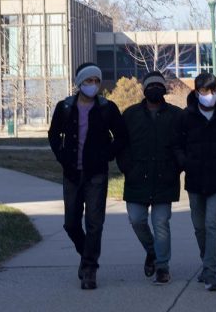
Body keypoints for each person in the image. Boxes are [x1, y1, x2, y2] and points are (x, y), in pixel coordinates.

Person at [49, 63, 128, 290]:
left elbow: (121, 137)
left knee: (94, 223)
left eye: (96, 81)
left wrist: (105, 155)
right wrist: (62, 156)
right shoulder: (64, 107)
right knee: (71, 223)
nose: (92, 85)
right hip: (72, 173)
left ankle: (89, 269)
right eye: (88, 81)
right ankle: (86, 256)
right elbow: (54, 135)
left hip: (96, 174)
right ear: (79, 83)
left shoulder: (106, 108)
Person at [173, 72, 216, 292]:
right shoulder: (186, 116)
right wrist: (185, 162)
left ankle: (211, 272)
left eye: (213, 90)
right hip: (194, 178)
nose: (209, 95)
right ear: (197, 92)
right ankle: (206, 261)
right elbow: (176, 145)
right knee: (199, 226)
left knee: (213, 223)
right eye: (204, 91)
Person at [117, 71, 183, 285]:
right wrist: (128, 168)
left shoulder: (176, 115)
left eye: (158, 85)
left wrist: (176, 167)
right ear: (144, 90)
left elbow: (183, 145)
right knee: (136, 220)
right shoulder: (131, 114)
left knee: (161, 222)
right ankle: (152, 251)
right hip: (137, 178)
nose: (154, 89)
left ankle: (162, 267)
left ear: (164, 89)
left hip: (165, 178)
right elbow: (121, 145)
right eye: (150, 86)